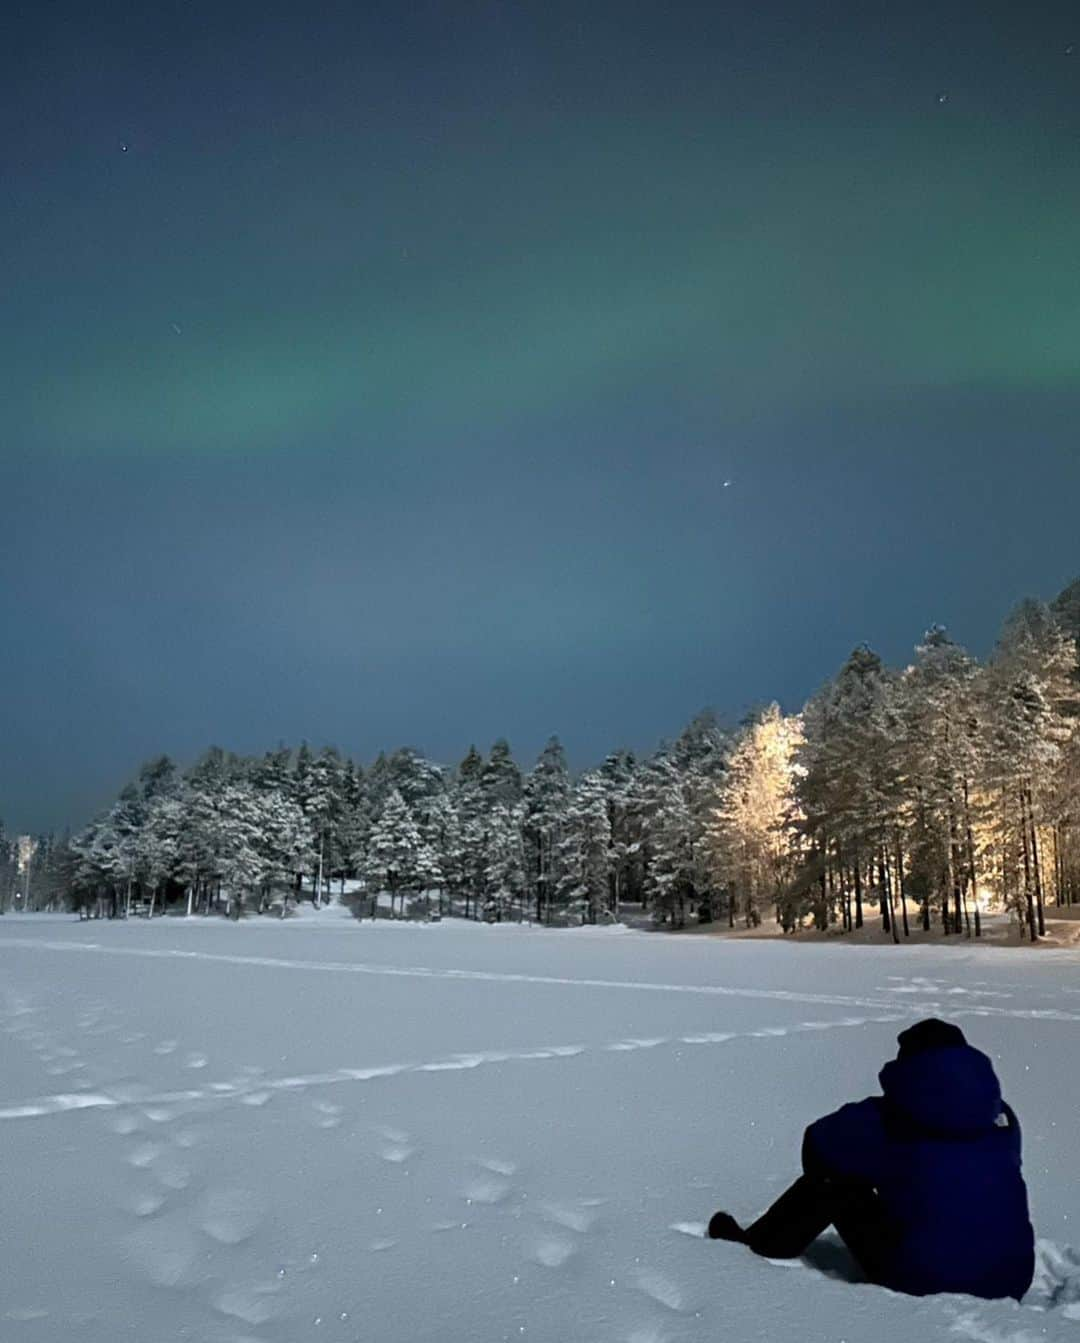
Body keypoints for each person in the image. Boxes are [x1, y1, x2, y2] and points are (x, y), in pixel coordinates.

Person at [708, 1018, 1035, 1300]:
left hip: (923, 1281)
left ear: (908, 1069)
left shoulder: (886, 1118)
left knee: (831, 1182)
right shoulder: (1003, 1118)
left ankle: (759, 1247)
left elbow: (817, 1146)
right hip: (1012, 1278)